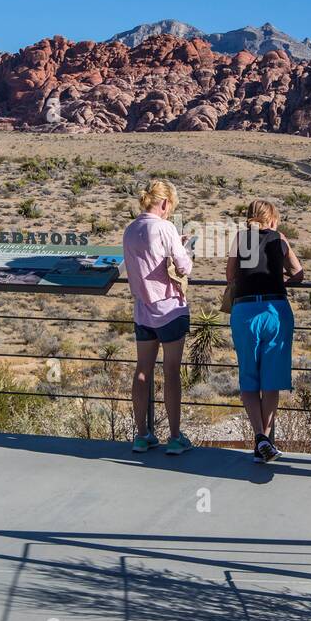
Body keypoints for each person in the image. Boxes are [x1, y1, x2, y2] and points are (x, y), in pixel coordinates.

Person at [227, 199, 303, 464]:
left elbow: (230, 277)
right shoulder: (279, 239)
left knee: (249, 377)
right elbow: (299, 273)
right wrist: (281, 277)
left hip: (245, 311)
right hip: (275, 310)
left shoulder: (240, 238)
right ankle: (265, 441)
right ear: (271, 219)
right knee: (271, 380)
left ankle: (259, 437)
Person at [123, 179, 195, 455]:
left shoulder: (130, 230)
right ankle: (175, 437)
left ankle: (142, 434)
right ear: (165, 203)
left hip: (142, 309)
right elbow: (183, 266)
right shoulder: (164, 227)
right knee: (171, 372)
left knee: (142, 370)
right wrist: (183, 246)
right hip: (169, 308)